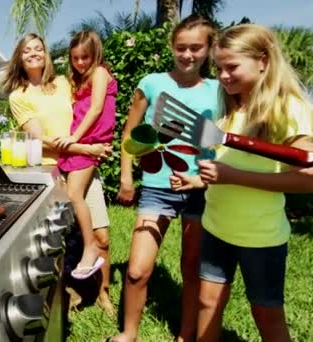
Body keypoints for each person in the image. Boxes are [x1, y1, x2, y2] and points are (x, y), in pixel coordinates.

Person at [170, 24, 313, 342]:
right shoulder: (231, 111)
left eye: (231, 67)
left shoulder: (289, 109)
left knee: (267, 317)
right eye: (219, 68)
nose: (222, 76)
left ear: (263, 60)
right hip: (216, 228)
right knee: (207, 304)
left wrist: (233, 177)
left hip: (260, 237)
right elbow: (228, 169)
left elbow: (307, 180)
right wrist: (198, 179)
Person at [113, 15, 219, 342]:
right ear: (172, 46)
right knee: (136, 271)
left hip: (202, 190)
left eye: (196, 48)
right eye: (181, 47)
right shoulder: (151, 83)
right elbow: (131, 132)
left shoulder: (219, 90)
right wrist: (127, 178)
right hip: (157, 190)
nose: (187, 55)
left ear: (210, 49)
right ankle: (129, 333)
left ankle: (185, 335)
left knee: (192, 270)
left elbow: (223, 137)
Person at [2, 33, 115, 313]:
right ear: (19, 56)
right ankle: (64, 294)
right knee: (60, 239)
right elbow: (41, 138)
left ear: (46, 53)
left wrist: (93, 146)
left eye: (38, 48)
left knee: (102, 236)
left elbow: (94, 108)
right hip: (54, 170)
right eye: (27, 50)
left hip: (85, 163)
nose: (33, 53)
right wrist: (88, 149)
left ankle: (103, 294)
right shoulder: (19, 96)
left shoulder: (63, 83)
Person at [54, 30, 116, 281]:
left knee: (73, 194)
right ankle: (88, 246)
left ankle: (90, 246)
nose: (80, 63)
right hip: (84, 140)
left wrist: (74, 138)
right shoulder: (78, 80)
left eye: (85, 57)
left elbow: (96, 109)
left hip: (91, 140)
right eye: (75, 58)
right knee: (73, 196)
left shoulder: (100, 72)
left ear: (95, 54)